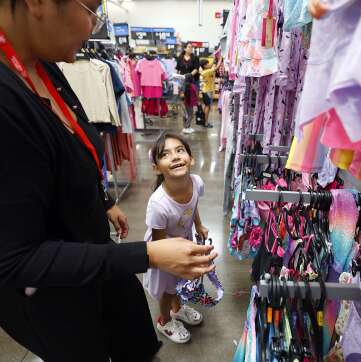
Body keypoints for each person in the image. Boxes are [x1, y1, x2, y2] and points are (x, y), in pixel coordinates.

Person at [0, 2, 217, 361]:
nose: (93, 27)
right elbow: (15, 258)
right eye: (91, 9)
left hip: (96, 266)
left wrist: (102, 201)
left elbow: (70, 149)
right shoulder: (8, 100)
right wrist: (145, 254)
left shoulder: (43, 65)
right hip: (57, 298)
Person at [144, 133, 209, 343]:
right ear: (157, 167)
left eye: (180, 150)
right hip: (163, 249)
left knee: (179, 284)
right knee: (167, 288)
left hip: (183, 241)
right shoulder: (158, 204)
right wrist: (173, 264)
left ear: (191, 158)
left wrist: (198, 224)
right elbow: (160, 245)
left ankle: (177, 309)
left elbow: (194, 203)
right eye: (165, 154)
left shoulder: (196, 182)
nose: (175, 156)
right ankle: (164, 320)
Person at [176, 43, 200, 133]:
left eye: (192, 47)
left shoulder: (195, 58)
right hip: (182, 83)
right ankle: (185, 126)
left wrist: (189, 75)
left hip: (191, 83)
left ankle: (187, 126)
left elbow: (196, 69)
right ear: (185, 48)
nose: (191, 49)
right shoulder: (180, 58)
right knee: (183, 105)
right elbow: (178, 69)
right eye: (189, 47)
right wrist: (178, 78)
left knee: (190, 104)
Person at [199, 58, 222, 128]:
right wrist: (220, 59)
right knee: (207, 107)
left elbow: (213, 66)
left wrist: (215, 59)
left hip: (207, 91)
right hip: (207, 91)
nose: (209, 64)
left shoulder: (206, 70)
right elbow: (216, 68)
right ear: (205, 65)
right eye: (207, 64)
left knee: (207, 107)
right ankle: (205, 123)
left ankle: (204, 121)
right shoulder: (206, 71)